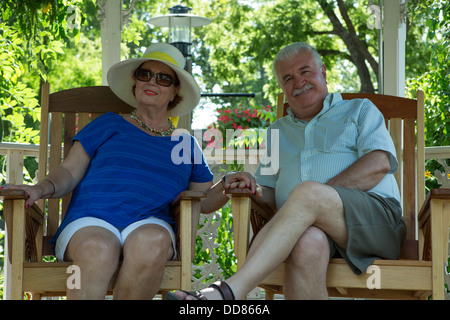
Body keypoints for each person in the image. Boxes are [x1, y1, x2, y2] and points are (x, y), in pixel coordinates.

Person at [1, 43, 258, 300]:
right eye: (145, 74)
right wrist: (38, 188)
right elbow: (68, 172)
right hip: (91, 221)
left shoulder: (185, 144)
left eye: (164, 78)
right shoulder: (108, 124)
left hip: (150, 222)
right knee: (97, 249)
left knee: (153, 241)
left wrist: (227, 184)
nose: (152, 82)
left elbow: (203, 199)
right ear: (135, 82)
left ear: (175, 92)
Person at [167, 42, 406, 300]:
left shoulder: (360, 110)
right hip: (315, 230)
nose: (298, 82)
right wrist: (253, 187)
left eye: (305, 71)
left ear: (323, 72)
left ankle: (228, 291)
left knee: (307, 193)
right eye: (288, 78)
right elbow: (268, 192)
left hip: (375, 225)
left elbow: (379, 162)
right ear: (282, 87)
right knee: (306, 243)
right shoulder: (277, 132)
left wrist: (317, 195)